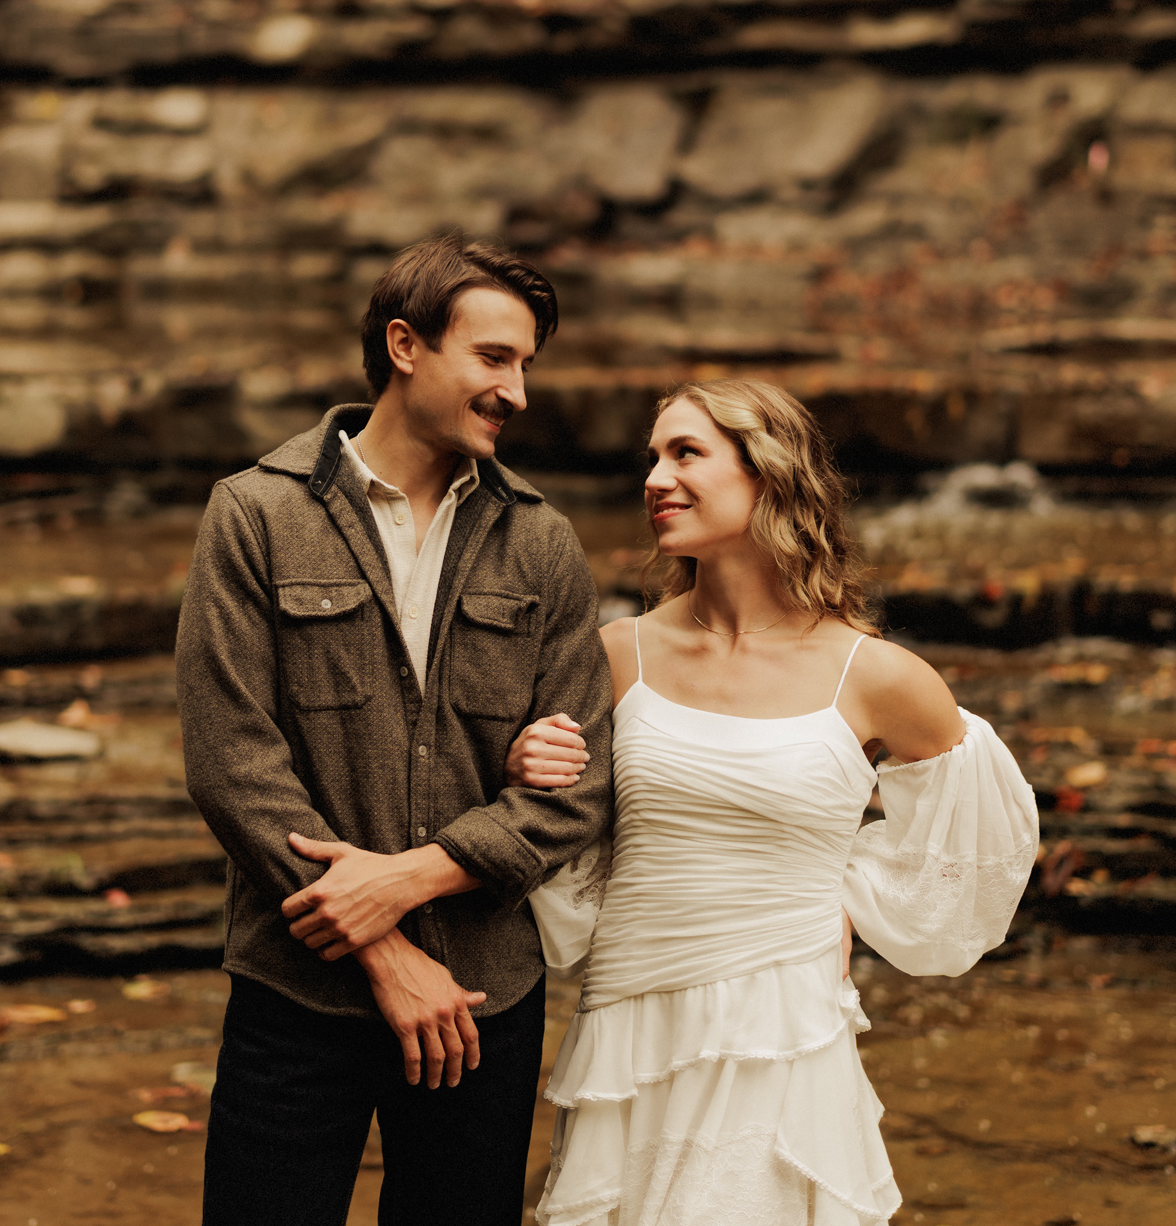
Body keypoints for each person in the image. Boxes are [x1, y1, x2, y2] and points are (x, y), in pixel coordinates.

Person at [507, 378, 1039, 1226]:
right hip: (633, 1021)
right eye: (651, 456)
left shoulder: (874, 675)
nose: (654, 477)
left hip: (781, 1030)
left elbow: (981, 844)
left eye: (685, 453)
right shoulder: (613, 656)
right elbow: (548, 838)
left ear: (770, 476)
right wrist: (530, 763)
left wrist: (847, 897)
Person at [177, 235, 616, 1226]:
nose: (518, 391)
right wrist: (381, 946)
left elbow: (581, 790)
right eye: (495, 358)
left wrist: (412, 877)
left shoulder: (541, 541)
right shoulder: (253, 514)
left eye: (526, 366)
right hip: (296, 991)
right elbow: (229, 760)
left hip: (480, 1007)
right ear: (406, 344)